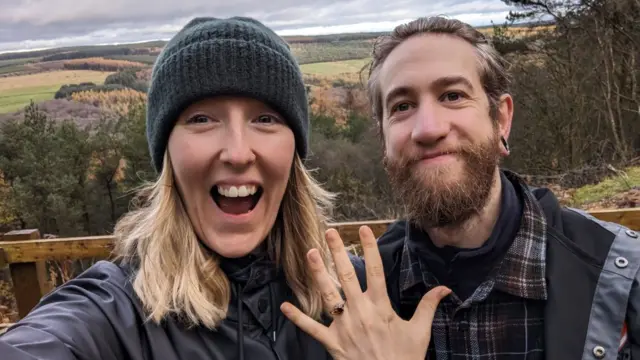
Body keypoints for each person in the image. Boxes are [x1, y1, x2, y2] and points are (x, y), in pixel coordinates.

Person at [0, 16, 398, 360]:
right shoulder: (113, 311)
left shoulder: (360, 296)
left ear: (295, 151)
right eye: (202, 119)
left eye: (265, 119)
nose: (239, 153)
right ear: (166, 152)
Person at [284, 16, 640, 360]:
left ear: (501, 118)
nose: (427, 128)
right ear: (384, 140)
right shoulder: (355, 307)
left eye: (452, 95)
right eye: (402, 106)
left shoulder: (621, 278)